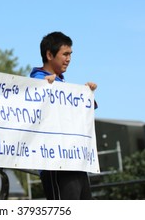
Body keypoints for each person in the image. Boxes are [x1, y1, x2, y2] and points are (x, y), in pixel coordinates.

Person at [30, 31, 97, 200]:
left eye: (70, 54)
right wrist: (44, 88)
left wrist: (86, 95)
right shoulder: (37, 82)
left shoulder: (62, 84)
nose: (69, 59)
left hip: (76, 162)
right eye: (65, 54)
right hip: (55, 165)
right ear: (49, 54)